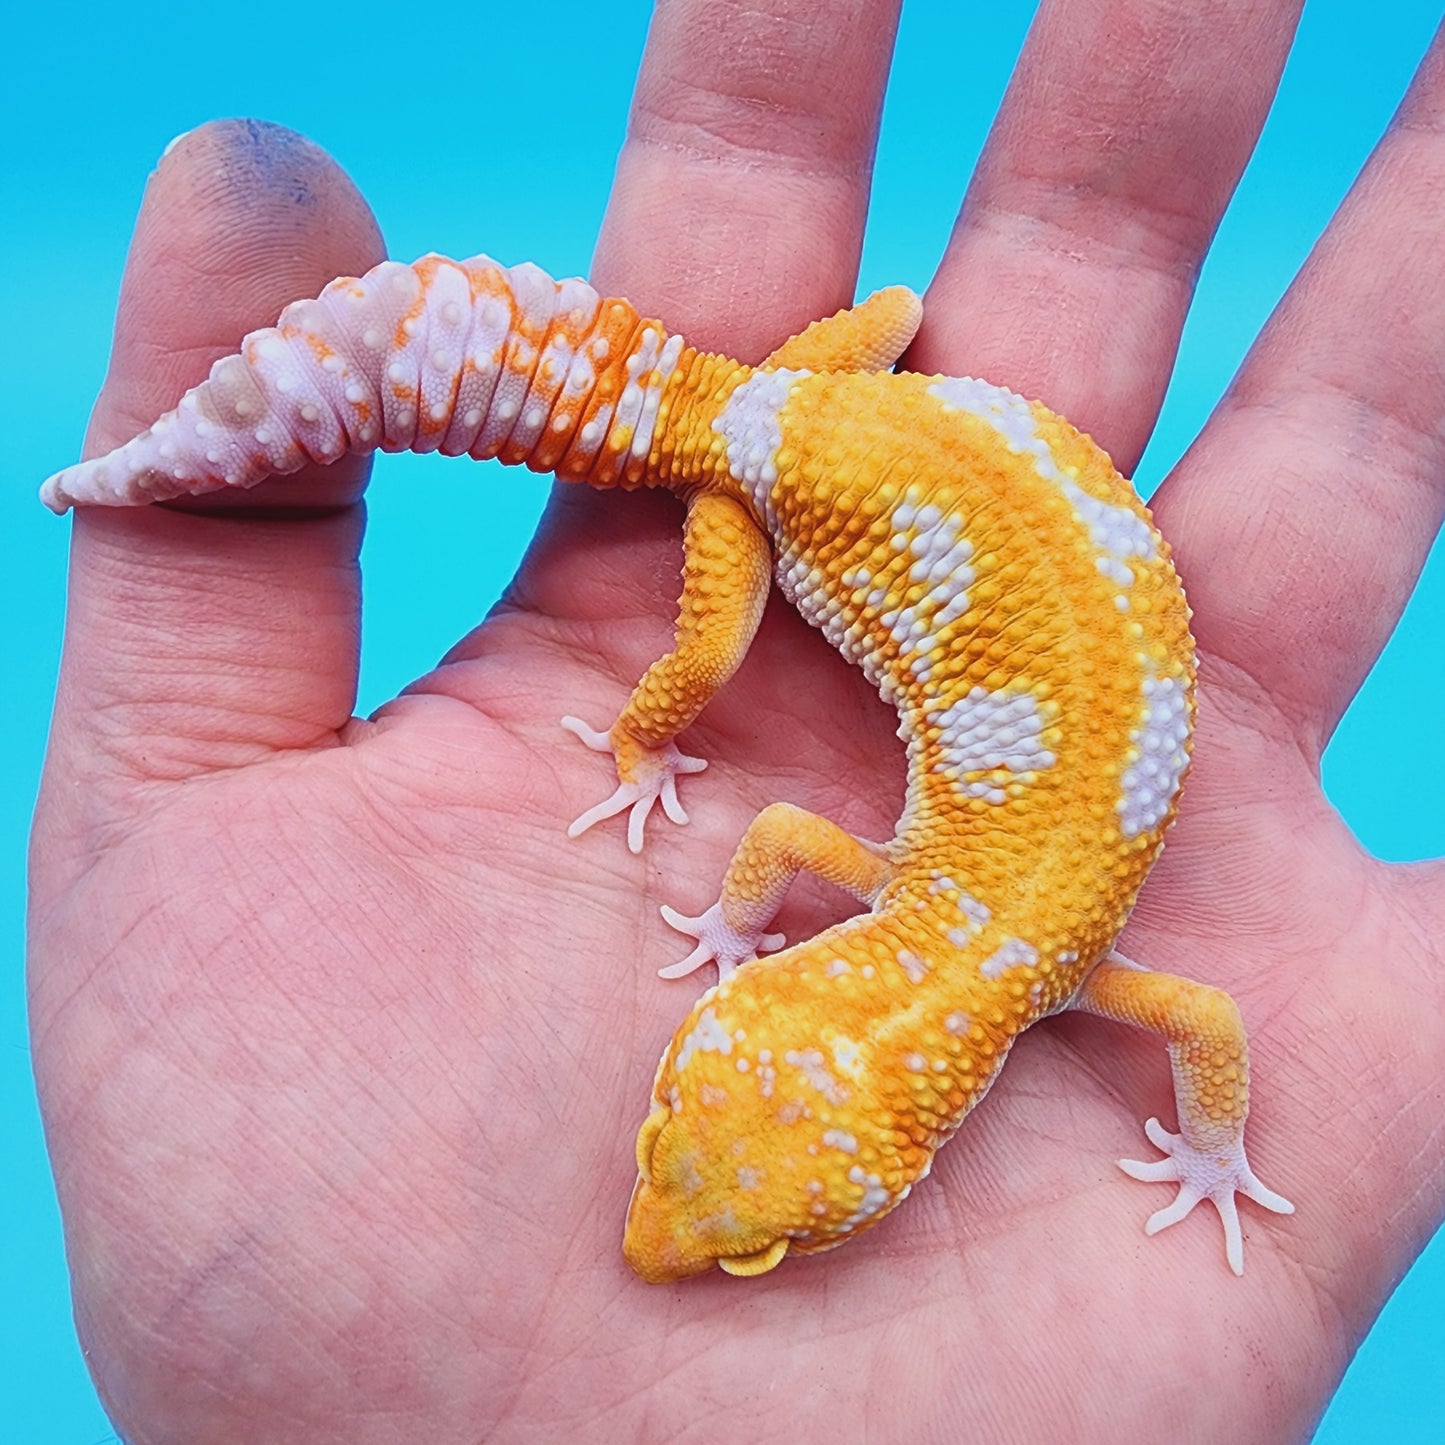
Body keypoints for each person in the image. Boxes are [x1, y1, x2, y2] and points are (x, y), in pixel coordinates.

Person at [30, 0, 1443, 1438]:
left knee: (882, 343)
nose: (653, 1238)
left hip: (834, 400)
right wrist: (711, 884)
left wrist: (1214, 1145)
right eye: (738, 1227)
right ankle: (629, 698)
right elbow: (802, 853)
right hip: (782, 463)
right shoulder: (1003, 946)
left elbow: (1201, 1022)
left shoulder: (1022, 954)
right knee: (699, 657)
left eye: (682, 1164)